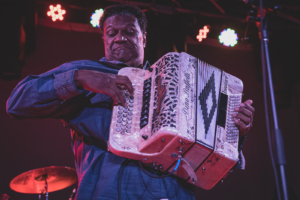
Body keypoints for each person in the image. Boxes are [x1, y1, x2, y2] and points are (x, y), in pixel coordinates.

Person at [6, 4, 255, 200]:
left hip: (171, 193)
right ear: (103, 39)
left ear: (143, 38)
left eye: (129, 32)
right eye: (112, 33)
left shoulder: (173, 82)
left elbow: (211, 166)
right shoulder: (87, 71)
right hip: (106, 191)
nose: (120, 38)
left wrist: (235, 133)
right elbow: (17, 102)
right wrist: (80, 78)